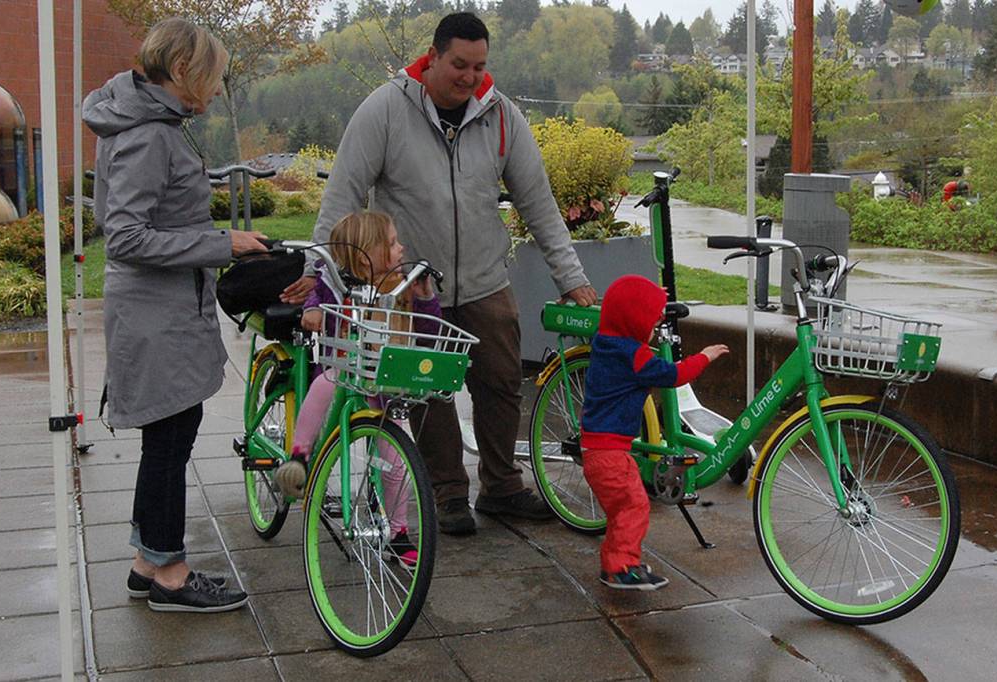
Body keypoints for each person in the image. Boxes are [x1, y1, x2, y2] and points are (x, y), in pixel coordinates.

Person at [313, 12, 598, 536]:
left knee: (502, 382)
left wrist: (571, 277)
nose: (469, 77)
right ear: (434, 57)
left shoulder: (502, 115)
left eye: (480, 66)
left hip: (486, 280)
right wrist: (319, 280)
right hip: (411, 287)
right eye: (459, 65)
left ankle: (502, 486)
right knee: (428, 393)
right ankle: (446, 493)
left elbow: (539, 204)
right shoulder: (385, 110)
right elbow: (341, 200)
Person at [84, 17, 311, 612]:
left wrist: (219, 240)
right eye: (212, 77)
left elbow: (154, 222)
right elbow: (126, 235)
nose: (216, 90)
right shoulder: (147, 134)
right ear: (182, 71)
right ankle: (171, 575)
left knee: (169, 438)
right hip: (155, 314)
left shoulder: (150, 122)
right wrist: (222, 244)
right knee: (169, 441)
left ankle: (146, 561)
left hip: (165, 309)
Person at [276, 211, 440, 566]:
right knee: (324, 385)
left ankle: (398, 532)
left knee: (395, 464)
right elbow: (315, 300)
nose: (401, 249)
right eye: (392, 243)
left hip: (384, 383)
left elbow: (428, 330)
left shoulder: (401, 284)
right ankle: (299, 455)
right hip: (344, 368)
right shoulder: (335, 281)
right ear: (367, 251)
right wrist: (314, 311)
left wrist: (424, 297)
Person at [580, 275, 729, 590]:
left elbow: (626, 308)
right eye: (650, 322)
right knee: (634, 507)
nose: (652, 329)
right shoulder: (635, 357)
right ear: (633, 320)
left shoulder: (606, 343)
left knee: (623, 511)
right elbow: (674, 375)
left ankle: (615, 563)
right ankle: (621, 569)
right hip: (611, 457)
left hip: (597, 450)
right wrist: (705, 357)